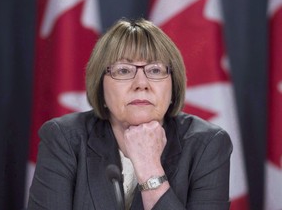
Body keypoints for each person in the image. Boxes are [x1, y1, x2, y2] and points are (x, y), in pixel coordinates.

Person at [27, 18, 233, 210]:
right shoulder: (64, 138)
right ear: (100, 85)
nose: (141, 84)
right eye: (124, 71)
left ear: (173, 85)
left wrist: (150, 169)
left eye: (155, 70)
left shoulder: (207, 144)